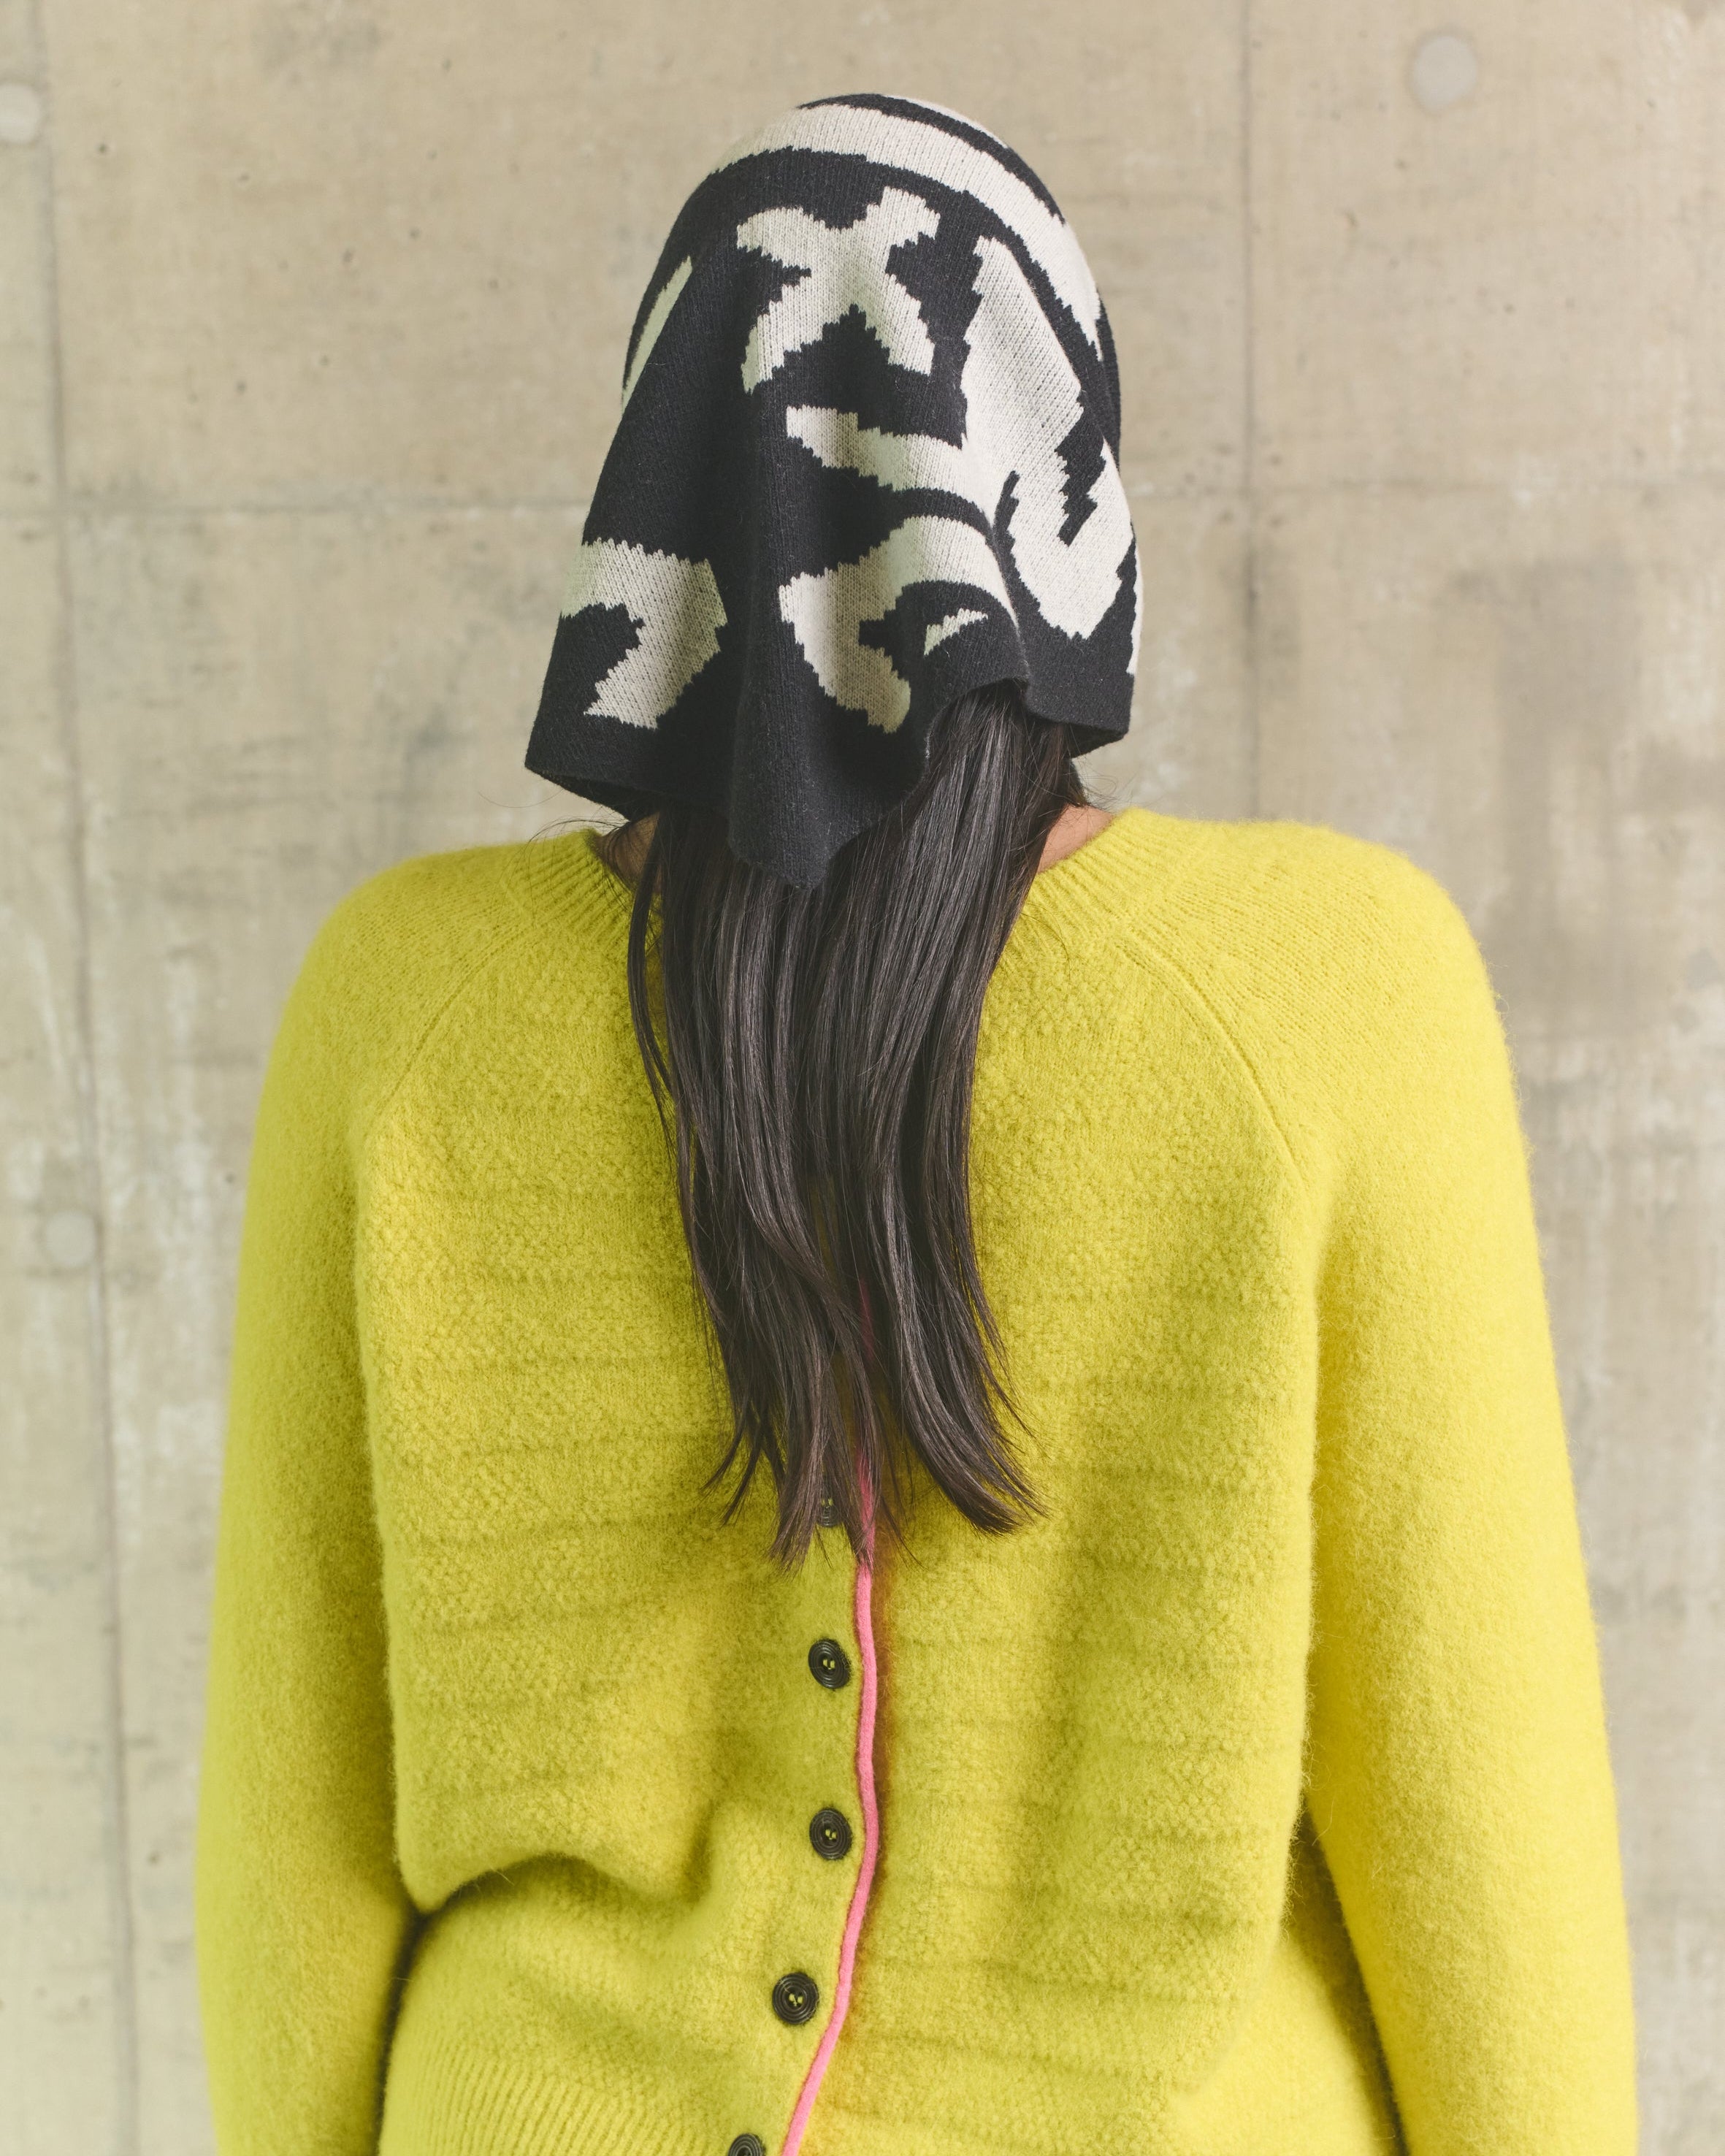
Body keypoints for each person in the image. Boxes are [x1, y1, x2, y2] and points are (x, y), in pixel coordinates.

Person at [194, 91, 1636, 2156]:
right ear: (1064, 514)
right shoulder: (1334, 989)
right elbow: (1474, 1819)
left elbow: (293, 1828)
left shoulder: (398, 1006)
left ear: (659, 492)